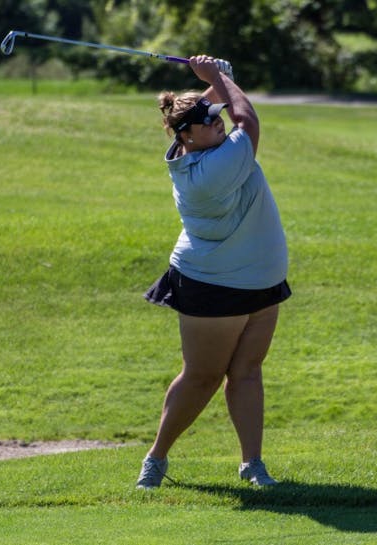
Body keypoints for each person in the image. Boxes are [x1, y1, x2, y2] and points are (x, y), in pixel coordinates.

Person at [136, 55, 291, 489]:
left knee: (247, 371)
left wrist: (217, 79)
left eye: (215, 117)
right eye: (208, 122)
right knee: (203, 377)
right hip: (214, 284)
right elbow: (249, 119)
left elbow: (213, 108)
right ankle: (156, 458)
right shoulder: (212, 169)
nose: (217, 122)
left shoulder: (200, 144)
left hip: (262, 280)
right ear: (186, 136)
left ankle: (253, 464)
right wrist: (220, 77)